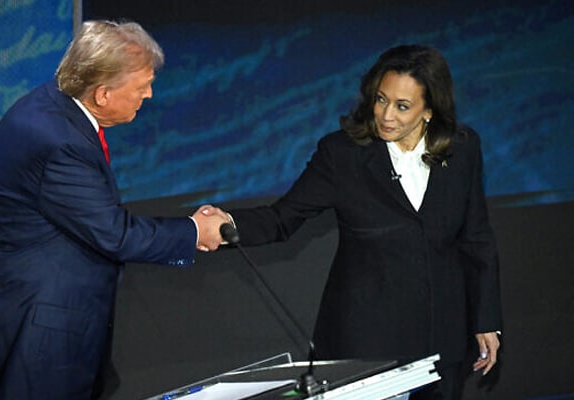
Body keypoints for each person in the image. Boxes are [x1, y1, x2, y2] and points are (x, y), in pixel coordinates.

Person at [0, 20, 228, 399]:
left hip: (27, 320)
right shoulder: (60, 142)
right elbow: (114, 233)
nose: (150, 95)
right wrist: (194, 232)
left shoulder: (52, 105)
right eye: (142, 86)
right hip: (33, 336)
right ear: (103, 93)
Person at [206, 44, 502, 399]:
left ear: (429, 110)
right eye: (381, 100)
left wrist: (486, 319)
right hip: (366, 343)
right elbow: (283, 218)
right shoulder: (342, 154)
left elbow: (476, 237)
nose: (386, 115)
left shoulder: (462, 148)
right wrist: (224, 226)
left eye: (402, 106)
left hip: (441, 339)